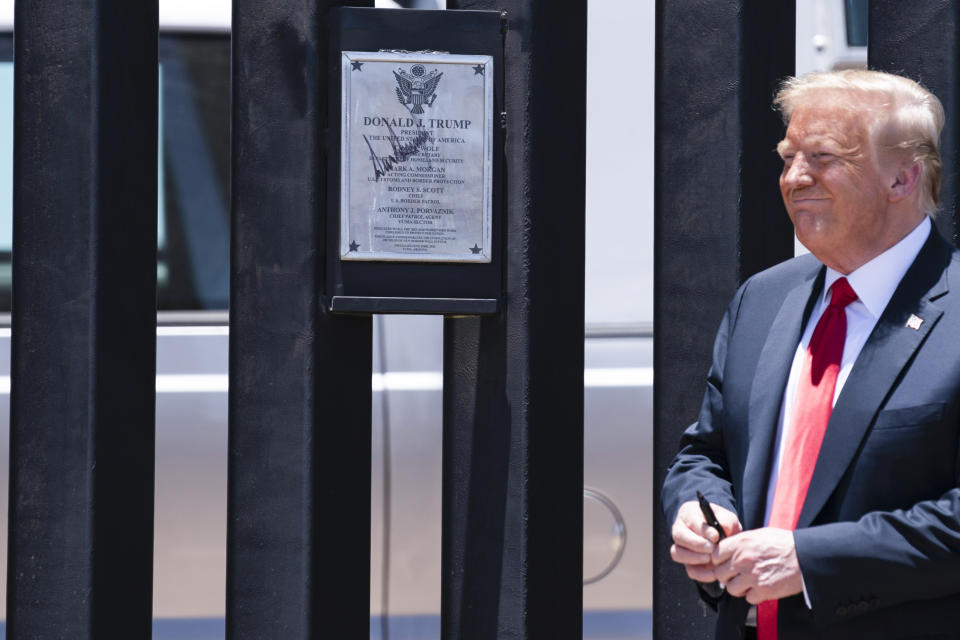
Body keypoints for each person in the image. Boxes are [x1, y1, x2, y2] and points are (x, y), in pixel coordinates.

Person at [662, 69, 960, 640]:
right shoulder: (764, 298)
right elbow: (705, 452)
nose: (795, 178)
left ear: (903, 178)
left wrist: (810, 561)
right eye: (788, 157)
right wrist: (701, 514)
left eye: (823, 157)